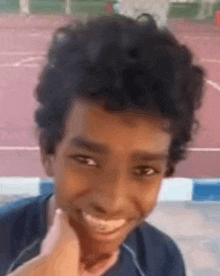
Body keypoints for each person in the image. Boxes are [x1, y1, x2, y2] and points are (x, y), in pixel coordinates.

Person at [1, 14, 206, 276]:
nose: (112, 201)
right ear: (49, 152)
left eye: (144, 170)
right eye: (86, 160)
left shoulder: (161, 261)